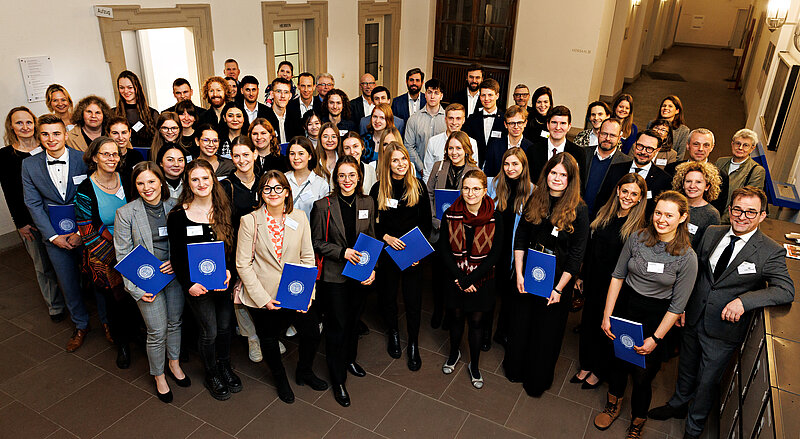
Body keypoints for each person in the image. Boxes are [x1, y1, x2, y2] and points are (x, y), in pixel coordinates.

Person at [648, 187, 794, 439]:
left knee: (707, 382)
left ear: (762, 215)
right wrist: (683, 306)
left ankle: (693, 427)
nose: (742, 216)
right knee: (686, 367)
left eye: (750, 212)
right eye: (737, 209)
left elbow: (786, 290)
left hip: (723, 330)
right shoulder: (713, 232)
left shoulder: (770, 251)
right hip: (693, 316)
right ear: (730, 210)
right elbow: (696, 272)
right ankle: (678, 404)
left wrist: (744, 301)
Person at [594, 191, 698, 437]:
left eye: (669, 215)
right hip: (626, 307)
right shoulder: (637, 238)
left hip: (656, 318)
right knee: (618, 363)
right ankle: (612, 406)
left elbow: (677, 306)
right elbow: (618, 276)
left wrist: (656, 338)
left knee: (642, 376)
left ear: (682, 218)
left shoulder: (687, 257)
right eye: (658, 213)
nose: (661, 219)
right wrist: (607, 315)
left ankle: (637, 421)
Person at [237, 169, 327, 404]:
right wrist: (262, 299)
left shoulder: (300, 217)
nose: (273, 192)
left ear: (287, 192)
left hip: (296, 291)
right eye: (267, 188)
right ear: (261, 193)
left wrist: (307, 294)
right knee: (269, 339)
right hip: (264, 293)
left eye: (279, 188)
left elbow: (308, 258)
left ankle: (304, 371)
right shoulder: (249, 221)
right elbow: (243, 264)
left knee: (312, 332)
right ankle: (280, 380)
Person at [504, 152, 590, 396]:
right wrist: (519, 274)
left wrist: (559, 289)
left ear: (571, 179)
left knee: (545, 333)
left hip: (557, 281)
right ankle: (515, 369)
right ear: (546, 173)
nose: (557, 178)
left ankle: (536, 380)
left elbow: (577, 255)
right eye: (553, 172)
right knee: (521, 324)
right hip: (527, 274)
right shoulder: (535, 197)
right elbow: (520, 237)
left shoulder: (580, 209)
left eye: (563, 175)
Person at [22, 114, 100, 351]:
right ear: (39, 137)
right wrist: (53, 237)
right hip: (54, 236)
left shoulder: (83, 159)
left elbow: (93, 196)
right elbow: (33, 204)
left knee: (99, 279)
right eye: (45, 134)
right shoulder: (29, 165)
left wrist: (81, 233)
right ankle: (81, 324)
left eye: (56, 133)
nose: (51, 139)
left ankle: (107, 323)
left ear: (66, 134)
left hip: (86, 232)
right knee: (67, 283)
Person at [114, 162, 189, 403]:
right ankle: (159, 375)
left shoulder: (176, 206)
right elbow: (123, 255)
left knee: (175, 322)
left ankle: (174, 363)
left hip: (173, 276)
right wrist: (135, 290)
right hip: (145, 281)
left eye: (151, 181)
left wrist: (176, 262)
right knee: (157, 330)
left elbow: (185, 243)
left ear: (161, 182)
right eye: (140, 183)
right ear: (135, 186)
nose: (147, 187)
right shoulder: (126, 213)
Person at [167, 159, 239, 401]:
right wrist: (189, 284)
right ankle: (211, 373)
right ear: (187, 183)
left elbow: (233, 247)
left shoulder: (225, 209)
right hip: (197, 286)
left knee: (226, 328)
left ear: (213, 180)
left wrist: (230, 272)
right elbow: (176, 257)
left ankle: (225, 366)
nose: (201, 183)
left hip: (223, 282)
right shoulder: (178, 216)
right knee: (210, 331)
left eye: (205, 178)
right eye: (195, 179)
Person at [311, 155, 377, 407]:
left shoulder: (367, 202)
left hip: (360, 274)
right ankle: (338, 378)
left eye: (351, 175)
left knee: (353, 321)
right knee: (337, 325)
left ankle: (350, 359)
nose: (347, 180)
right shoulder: (323, 206)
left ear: (359, 177)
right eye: (342, 175)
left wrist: (372, 269)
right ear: (335, 179)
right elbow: (316, 242)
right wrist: (342, 252)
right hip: (334, 275)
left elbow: (372, 238)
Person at [572, 173, 646, 391]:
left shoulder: (639, 228)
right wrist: (581, 276)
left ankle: (598, 371)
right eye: (625, 191)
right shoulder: (604, 213)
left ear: (640, 198)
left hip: (616, 288)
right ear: (618, 190)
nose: (628, 197)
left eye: (634, 194)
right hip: (593, 280)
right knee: (588, 324)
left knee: (606, 330)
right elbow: (590, 248)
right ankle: (586, 364)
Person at [438, 169, 502, 388]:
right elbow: (444, 249)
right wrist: (461, 278)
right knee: (455, 318)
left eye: (476, 189)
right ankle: (454, 354)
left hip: (482, 280)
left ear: (485, 191)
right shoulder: (450, 214)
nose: (470, 193)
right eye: (466, 188)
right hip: (455, 278)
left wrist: (472, 278)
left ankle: (474, 365)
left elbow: (495, 254)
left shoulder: (495, 217)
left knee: (476, 322)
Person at [370, 142, 431, 370]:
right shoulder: (378, 189)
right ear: (388, 163)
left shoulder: (418, 186)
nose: (401, 164)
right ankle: (393, 333)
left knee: (413, 300)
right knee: (388, 297)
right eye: (395, 160)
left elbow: (425, 224)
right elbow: (372, 225)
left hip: (412, 253)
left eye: (404, 159)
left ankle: (413, 342)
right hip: (388, 252)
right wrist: (386, 238)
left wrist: (417, 252)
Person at [75, 136, 134, 367]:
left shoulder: (127, 179)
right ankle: (122, 345)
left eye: (115, 154)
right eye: (105, 154)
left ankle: (137, 334)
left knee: (136, 297)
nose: (111, 158)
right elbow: (86, 230)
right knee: (115, 302)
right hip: (104, 253)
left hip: (134, 247)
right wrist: (117, 258)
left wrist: (133, 252)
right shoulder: (85, 188)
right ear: (94, 157)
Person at [0, 107, 63, 321]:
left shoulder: (48, 147)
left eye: (29, 122)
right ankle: (55, 305)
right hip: (29, 220)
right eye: (19, 123)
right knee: (42, 265)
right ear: (11, 127)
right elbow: (9, 192)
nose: (25, 127)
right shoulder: (4, 156)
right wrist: (20, 222)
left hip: (56, 216)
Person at [427, 132, 481, 330]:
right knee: (437, 275)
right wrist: (435, 219)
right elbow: (429, 194)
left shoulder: (474, 171)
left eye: (459, 148)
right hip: (439, 230)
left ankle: (452, 313)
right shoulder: (438, 167)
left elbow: (476, 201)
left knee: (455, 275)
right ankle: (437, 310)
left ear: (467, 149)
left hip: (461, 234)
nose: (454, 152)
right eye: (451, 148)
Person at [594, 129, 673, 217]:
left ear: (657, 150)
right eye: (640, 146)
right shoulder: (615, 169)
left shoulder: (664, 180)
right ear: (634, 145)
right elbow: (602, 200)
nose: (643, 152)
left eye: (649, 149)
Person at [664, 128, 729, 214]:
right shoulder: (671, 169)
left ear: (712, 148)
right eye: (696, 144)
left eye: (706, 145)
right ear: (688, 145)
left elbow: (718, 210)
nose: (700, 149)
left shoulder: (720, 176)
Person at [714, 129, 766, 223]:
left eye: (745, 145)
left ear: (752, 148)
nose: (740, 148)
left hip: (733, 221)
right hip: (713, 215)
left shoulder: (756, 171)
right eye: (737, 143)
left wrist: (720, 221)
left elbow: (749, 202)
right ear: (732, 144)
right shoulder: (720, 162)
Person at [526, 105, 587, 185]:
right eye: (554, 122)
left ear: (569, 127)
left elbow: (580, 185)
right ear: (548, 125)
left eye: (563, 123)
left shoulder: (578, 153)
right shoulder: (533, 150)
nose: (558, 127)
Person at [583, 118, 630, 216]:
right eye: (604, 134)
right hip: (576, 214)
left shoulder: (626, 163)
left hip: (604, 217)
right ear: (598, 133)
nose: (607, 138)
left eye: (612, 135)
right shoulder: (582, 153)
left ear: (619, 137)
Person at [422, 104, 478, 182]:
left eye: (458, 118)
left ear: (463, 120)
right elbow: (427, 173)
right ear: (445, 119)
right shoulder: (433, 142)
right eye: (451, 118)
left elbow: (474, 172)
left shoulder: (472, 143)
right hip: (438, 187)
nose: (454, 122)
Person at [672, 161, 721, 248]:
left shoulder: (712, 214)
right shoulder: (673, 204)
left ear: (707, 186)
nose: (692, 186)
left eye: (698, 182)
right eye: (688, 181)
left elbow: (707, 247)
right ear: (682, 184)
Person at [404, 79, 446, 176]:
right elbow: (409, 146)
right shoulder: (413, 119)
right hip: (418, 172)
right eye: (429, 92)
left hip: (442, 171)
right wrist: (421, 168)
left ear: (441, 96)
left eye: (436, 93)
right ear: (425, 94)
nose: (432, 96)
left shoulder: (448, 120)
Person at [463, 79, 505, 168]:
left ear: (497, 96)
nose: (486, 99)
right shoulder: (472, 119)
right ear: (479, 96)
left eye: (490, 95)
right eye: (483, 95)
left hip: (497, 167)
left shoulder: (504, 119)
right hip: (475, 166)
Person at [112, 70, 159, 151]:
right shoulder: (113, 113)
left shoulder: (152, 114)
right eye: (122, 88)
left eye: (130, 87)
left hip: (148, 156)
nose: (126, 91)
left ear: (137, 88)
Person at [285, 136, 330, 219]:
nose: (296, 158)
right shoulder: (283, 179)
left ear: (310, 156)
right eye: (292, 154)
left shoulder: (321, 184)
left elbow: (324, 215)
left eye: (301, 153)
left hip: (310, 227)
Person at [484, 105, 534, 177]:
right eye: (512, 123)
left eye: (519, 123)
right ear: (505, 125)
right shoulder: (494, 146)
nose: (516, 127)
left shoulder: (531, 148)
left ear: (525, 123)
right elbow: (488, 173)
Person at [263, 77, 304, 144]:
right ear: (272, 94)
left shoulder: (295, 118)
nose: (283, 96)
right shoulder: (264, 119)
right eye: (279, 91)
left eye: (286, 92)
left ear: (290, 96)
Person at [648, 95, 690, 160]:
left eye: (670, 106)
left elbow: (680, 155)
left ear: (677, 111)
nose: (666, 108)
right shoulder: (651, 124)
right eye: (664, 106)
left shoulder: (683, 130)